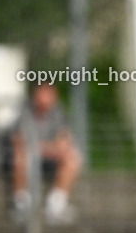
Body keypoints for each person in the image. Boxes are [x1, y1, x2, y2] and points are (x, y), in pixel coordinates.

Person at [10, 83, 82, 224]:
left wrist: (46, 147)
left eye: (50, 94)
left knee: (73, 157)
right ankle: (22, 204)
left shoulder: (58, 112)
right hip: (29, 157)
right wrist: (49, 147)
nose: (46, 99)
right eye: (43, 94)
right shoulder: (25, 111)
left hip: (49, 158)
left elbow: (65, 140)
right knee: (21, 155)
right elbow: (20, 141)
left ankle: (56, 205)